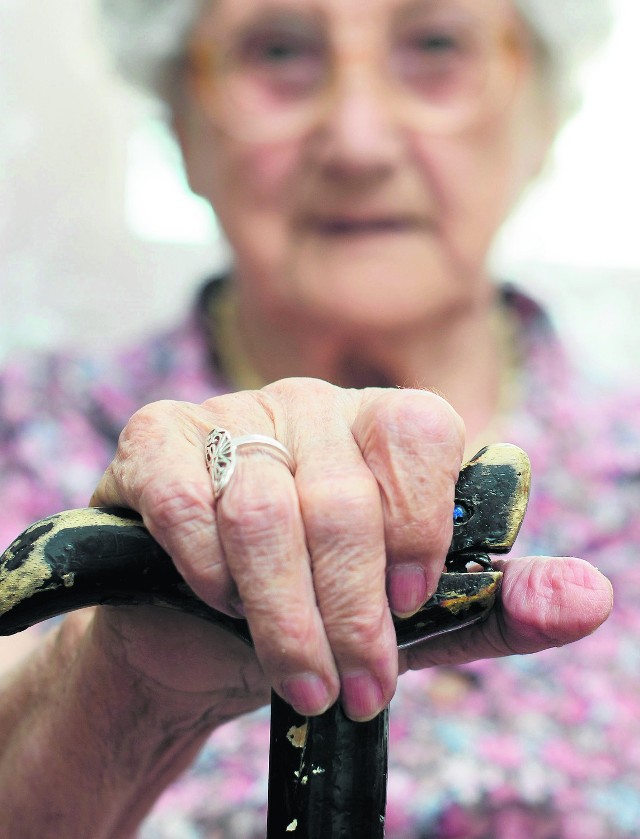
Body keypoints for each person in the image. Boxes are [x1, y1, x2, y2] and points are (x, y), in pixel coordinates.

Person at [0, 0, 636, 836]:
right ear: (179, 120)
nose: (358, 143)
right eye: (278, 52)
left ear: (542, 113)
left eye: (437, 45)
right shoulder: (21, 436)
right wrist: (126, 681)